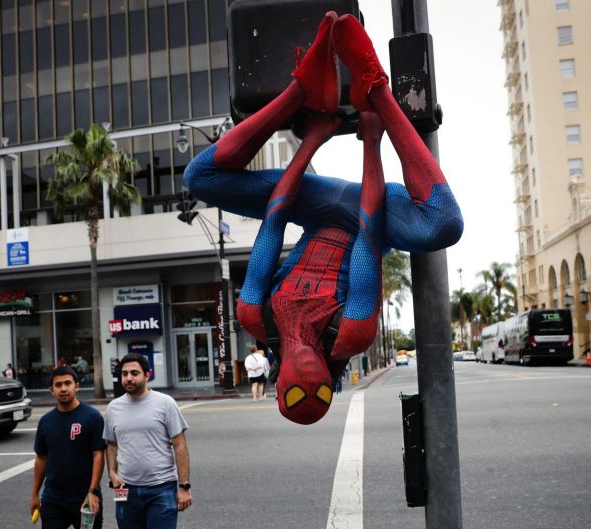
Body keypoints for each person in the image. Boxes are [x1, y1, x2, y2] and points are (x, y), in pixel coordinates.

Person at [184, 13, 463, 425]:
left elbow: (275, 218)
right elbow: (369, 230)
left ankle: (302, 89)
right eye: (318, 393)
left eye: (295, 392)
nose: (308, 383)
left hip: (310, 205)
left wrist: (311, 140)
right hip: (373, 208)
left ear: (279, 384)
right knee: (444, 226)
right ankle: (376, 85)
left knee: (199, 177)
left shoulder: (255, 317)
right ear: (332, 386)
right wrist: (372, 138)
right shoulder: (351, 332)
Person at [103, 353, 192, 529]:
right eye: (124, 373)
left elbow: (179, 444)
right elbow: (112, 445)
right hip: (125, 489)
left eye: (134, 373)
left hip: (162, 488)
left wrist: (184, 486)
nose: (128, 378)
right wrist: (112, 473)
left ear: (147, 375)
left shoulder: (165, 403)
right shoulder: (113, 408)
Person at [30, 366, 106, 529]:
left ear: (76, 386)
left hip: (86, 499)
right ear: (51, 390)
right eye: (58, 385)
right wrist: (35, 495)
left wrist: (92, 492)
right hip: (53, 499)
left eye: (67, 383)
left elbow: (98, 455)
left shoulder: (92, 417)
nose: (63, 388)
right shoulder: (45, 421)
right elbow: (41, 458)